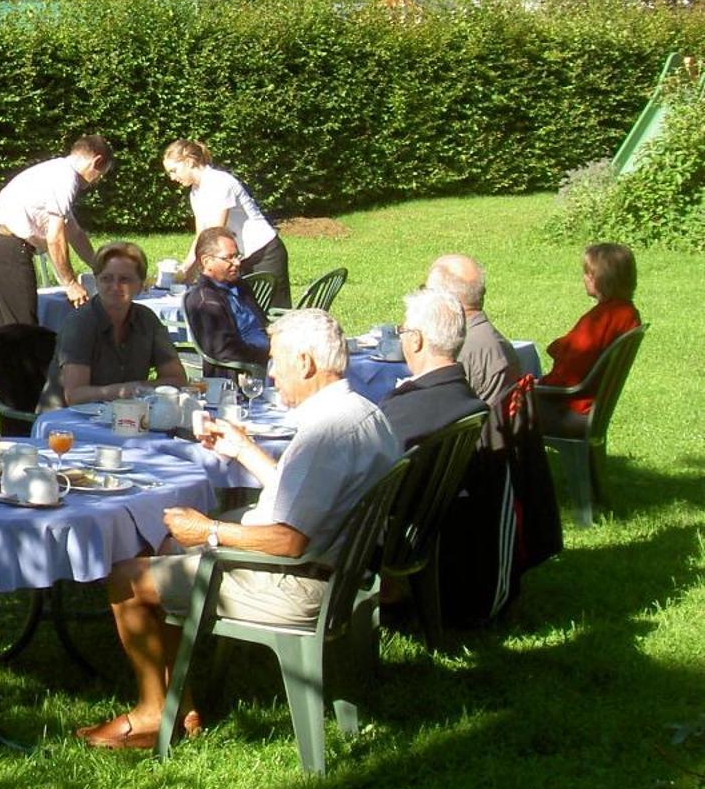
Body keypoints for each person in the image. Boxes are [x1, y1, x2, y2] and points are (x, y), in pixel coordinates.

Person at [80, 309, 400, 749]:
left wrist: (209, 531)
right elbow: (309, 498)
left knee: (125, 579)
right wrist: (246, 451)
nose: (270, 372)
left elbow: (289, 540)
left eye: (276, 361)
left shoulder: (324, 434)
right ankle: (182, 702)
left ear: (305, 363)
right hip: (340, 573)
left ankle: (155, 714)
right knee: (168, 543)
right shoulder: (362, 413)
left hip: (296, 584)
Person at [0, 134, 111, 332]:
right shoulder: (66, 179)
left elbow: (74, 233)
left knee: (1, 335)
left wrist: (100, 268)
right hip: (8, 253)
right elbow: (55, 238)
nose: (96, 182)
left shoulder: (53, 171)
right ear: (97, 162)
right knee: (24, 333)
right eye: (101, 174)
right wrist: (71, 284)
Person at [51, 241, 188, 406]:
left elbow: (178, 379)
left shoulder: (146, 320)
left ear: (141, 285)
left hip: (125, 417)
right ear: (96, 281)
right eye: (106, 279)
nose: (115, 286)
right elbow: (75, 396)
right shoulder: (80, 324)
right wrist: (130, 390)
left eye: (124, 279)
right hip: (66, 422)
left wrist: (138, 388)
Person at [164, 139, 289, 301]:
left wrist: (199, 272)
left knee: (274, 316)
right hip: (238, 258)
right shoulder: (195, 192)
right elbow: (201, 236)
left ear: (189, 162)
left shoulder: (219, 182)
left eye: (174, 170)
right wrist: (186, 269)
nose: (172, 178)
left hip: (265, 254)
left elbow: (216, 235)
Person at [425, 253, 525, 448]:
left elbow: (431, 415)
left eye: (427, 293)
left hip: (467, 460)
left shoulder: (460, 350)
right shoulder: (490, 338)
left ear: (446, 300)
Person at [536, 242, 640, 417]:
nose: (584, 278)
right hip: (591, 402)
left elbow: (571, 371)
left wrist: (536, 385)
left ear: (600, 279)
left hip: (571, 404)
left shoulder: (600, 320)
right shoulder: (627, 313)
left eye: (588, 273)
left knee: (496, 403)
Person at [378, 288, 487, 449]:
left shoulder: (401, 411)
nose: (401, 337)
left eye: (402, 331)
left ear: (416, 340)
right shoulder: (468, 397)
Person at [181, 225, 270, 372]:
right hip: (248, 372)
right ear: (206, 261)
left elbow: (262, 322)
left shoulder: (239, 285)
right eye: (229, 258)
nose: (237, 262)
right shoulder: (204, 301)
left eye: (237, 256)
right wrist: (271, 355)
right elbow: (224, 350)